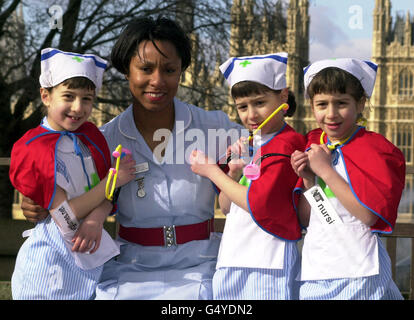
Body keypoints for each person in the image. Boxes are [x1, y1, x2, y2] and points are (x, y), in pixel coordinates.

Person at [20, 17, 241, 300]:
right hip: (129, 270)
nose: (157, 81)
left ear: (182, 72)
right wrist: (35, 201)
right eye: (145, 69)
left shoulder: (213, 127)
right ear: (127, 71)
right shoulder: (102, 140)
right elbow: (70, 193)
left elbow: (262, 149)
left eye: (170, 70)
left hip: (203, 266)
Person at [9, 48, 137, 299]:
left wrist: (96, 218)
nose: (78, 108)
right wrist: (114, 179)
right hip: (51, 258)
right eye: (68, 96)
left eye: (87, 99)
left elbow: (106, 198)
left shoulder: (91, 137)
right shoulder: (34, 148)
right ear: (46, 96)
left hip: (90, 246)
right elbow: (64, 214)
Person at [190, 53, 305, 299]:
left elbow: (257, 202)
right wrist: (232, 172)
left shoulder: (287, 144)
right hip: (234, 254)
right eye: (243, 107)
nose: (251, 115)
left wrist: (212, 171)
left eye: (259, 103)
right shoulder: (254, 142)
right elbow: (227, 206)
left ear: (283, 97)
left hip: (267, 261)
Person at [290, 58, 406, 300]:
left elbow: (368, 215)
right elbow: (313, 218)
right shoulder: (314, 147)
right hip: (317, 269)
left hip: (359, 271)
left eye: (341, 103)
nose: (331, 114)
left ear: (361, 104)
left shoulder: (374, 149)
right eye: (322, 104)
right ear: (312, 106)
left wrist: (325, 171)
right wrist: (309, 180)